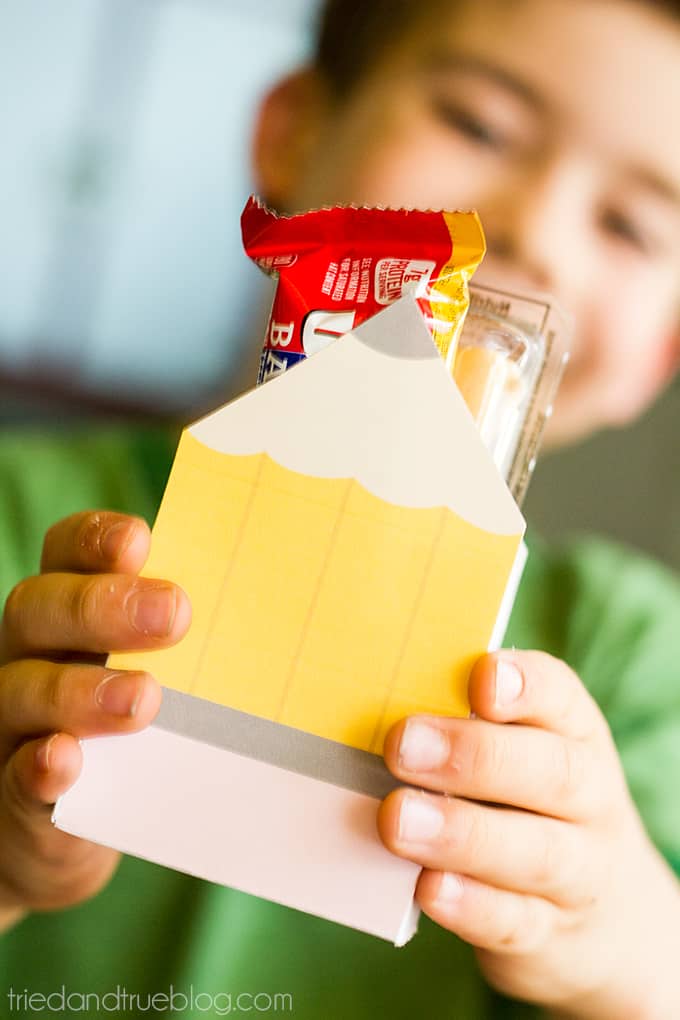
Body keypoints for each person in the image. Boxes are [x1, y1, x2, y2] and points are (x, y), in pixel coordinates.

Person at [1, 0, 680, 1016]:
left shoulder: (627, 651)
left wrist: (616, 935)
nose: (532, 229)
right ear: (293, 131)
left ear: (661, 356)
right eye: (478, 125)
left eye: (630, 225)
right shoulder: (25, 520)